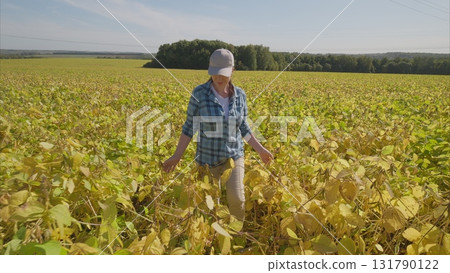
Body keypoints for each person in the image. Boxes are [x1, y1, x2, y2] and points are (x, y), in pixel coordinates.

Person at [162, 48, 273, 221]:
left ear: (233, 71)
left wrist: (260, 149)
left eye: (224, 74)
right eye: (215, 74)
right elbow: (189, 127)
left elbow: (243, 127)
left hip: (233, 157)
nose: (219, 78)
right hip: (207, 159)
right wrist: (177, 155)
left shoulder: (240, 96)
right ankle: (210, 239)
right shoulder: (200, 93)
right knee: (209, 204)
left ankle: (237, 237)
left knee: (237, 199)